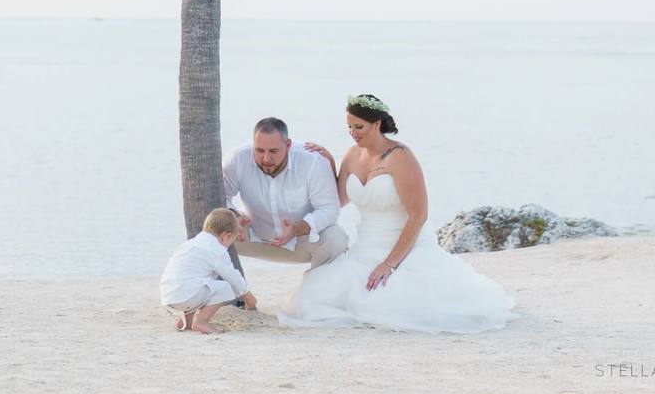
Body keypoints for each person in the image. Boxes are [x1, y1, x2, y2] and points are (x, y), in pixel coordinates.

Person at [277, 93, 513, 333]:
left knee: (384, 303)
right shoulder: (352, 155)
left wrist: (389, 264)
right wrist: (328, 162)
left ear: (377, 124)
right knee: (311, 297)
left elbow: (418, 215)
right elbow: (339, 201)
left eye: (359, 127)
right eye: (349, 127)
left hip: (404, 248)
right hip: (364, 249)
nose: (353, 132)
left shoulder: (401, 157)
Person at [223, 116, 349, 269]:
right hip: (249, 236)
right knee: (208, 226)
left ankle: (315, 289)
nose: (266, 158)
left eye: (273, 151)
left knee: (337, 239)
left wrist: (298, 228)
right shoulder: (237, 158)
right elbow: (220, 197)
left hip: (300, 241)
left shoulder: (313, 161)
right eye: (259, 150)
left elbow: (330, 209)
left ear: (288, 145)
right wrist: (233, 217)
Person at [159, 207, 257, 334]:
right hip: (186, 294)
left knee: (200, 280)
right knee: (225, 287)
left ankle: (186, 322)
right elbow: (233, 278)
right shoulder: (217, 250)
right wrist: (248, 296)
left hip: (168, 295)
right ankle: (201, 321)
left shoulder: (190, 244)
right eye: (231, 241)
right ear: (226, 236)